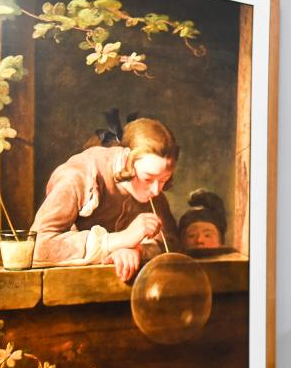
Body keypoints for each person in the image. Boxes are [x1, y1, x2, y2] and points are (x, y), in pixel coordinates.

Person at [30, 117, 181, 282]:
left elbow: (173, 245)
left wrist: (138, 250)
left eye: (164, 180)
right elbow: (37, 247)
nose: (156, 190)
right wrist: (119, 240)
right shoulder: (80, 175)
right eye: (148, 178)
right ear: (127, 160)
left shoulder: (154, 192)